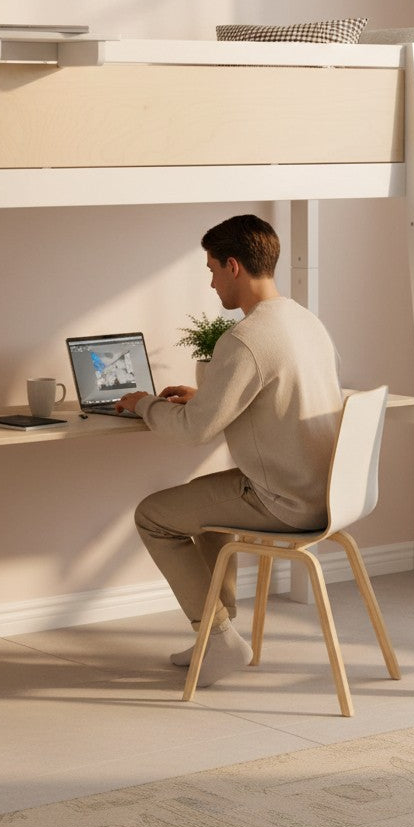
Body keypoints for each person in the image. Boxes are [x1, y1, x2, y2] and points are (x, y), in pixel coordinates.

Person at [115, 214, 342, 687]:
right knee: (207, 511)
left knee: (152, 516)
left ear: (233, 266)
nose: (212, 283)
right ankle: (218, 635)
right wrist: (210, 396)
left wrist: (143, 404)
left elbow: (194, 432)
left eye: (213, 270)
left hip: (284, 499)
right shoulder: (305, 321)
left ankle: (217, 635)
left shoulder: (244, 338)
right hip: (327, 493)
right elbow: (282, 394)